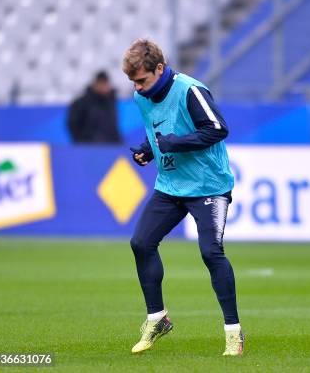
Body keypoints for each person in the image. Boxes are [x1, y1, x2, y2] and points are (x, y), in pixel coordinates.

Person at [122, 39, 243, 356]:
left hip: (209, 186)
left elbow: (217, 129)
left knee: (210, 252)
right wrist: (148, 150)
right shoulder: (141, 97)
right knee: (141, 243)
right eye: (133, 82)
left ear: (159, 69)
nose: (137, 88)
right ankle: (157, 318)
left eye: (142, 80)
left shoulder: (190, 90)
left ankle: (233, 333)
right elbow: (158, 130)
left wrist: (174, 143)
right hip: (171, 185)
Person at [67, 70, 122, 144]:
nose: (103, 87)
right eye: (101, 83)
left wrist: (118, 142)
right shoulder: (82, 102)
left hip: (109, 147)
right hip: (88, 147)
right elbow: (73, 124)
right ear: (95, 84)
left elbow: (113, 125)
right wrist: (81, 142)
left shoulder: (111, 102)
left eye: (105, 84)